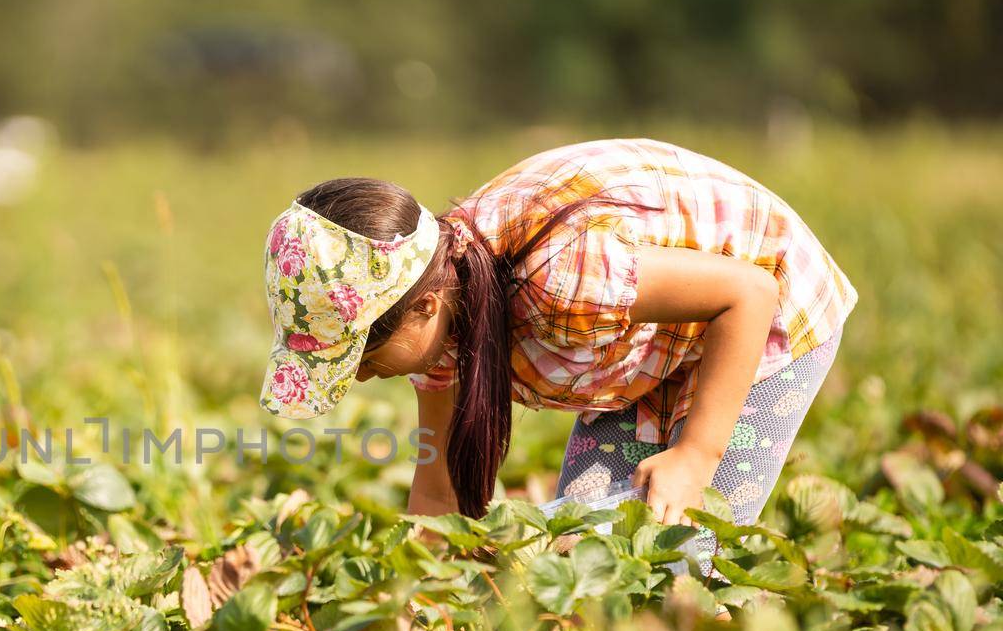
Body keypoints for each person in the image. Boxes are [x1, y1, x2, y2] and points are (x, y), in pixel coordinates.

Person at [257, 138, 857, 570]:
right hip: (644, 348)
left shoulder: (558, 279)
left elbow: (748, 294)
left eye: (360, 353)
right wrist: (418, 592)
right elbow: (438, 495)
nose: (359, 375)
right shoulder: (443, 329)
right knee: (581, 546)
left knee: (686, 554)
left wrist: (695, 457)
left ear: (422, 306)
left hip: (762, 310)